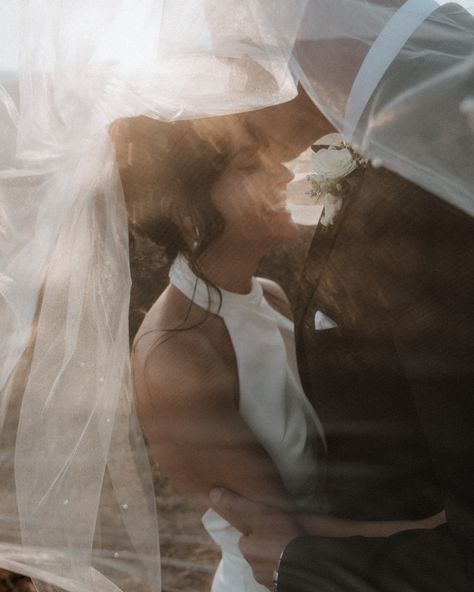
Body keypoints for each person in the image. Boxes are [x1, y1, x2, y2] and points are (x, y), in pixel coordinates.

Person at [111, 113, 445, 592]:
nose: (284, 172)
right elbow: (276, 533)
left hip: (338, 566)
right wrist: (437, 531)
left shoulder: (268, 294)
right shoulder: (177, 357)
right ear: (186, 213)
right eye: (250, 167)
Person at [208, 3, 474, 591]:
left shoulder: (422, 194)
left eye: (231, 51)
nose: (224, 94)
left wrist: (300, 561)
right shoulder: (427, 120)